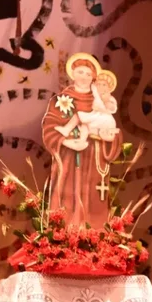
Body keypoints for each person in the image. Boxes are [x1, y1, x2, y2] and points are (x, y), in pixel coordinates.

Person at [40, 53, 123, 227]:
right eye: (80, 71)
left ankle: (93, 237)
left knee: (93, 203)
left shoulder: (100, 101)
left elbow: (113, 129)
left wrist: (109, 137)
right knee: (66, 204)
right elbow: (49, 127)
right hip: (69, 161)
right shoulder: (61, 100)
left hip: (94, 161)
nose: (84, 77)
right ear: (72, 73)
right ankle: (64, 237)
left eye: (88, 73)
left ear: (94, 77)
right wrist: (66, 142)